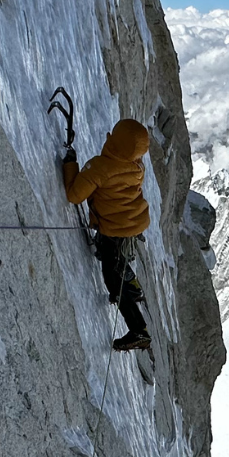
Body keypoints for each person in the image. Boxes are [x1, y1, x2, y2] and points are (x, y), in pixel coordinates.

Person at [64, 118, 153, 351]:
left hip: (114, 228)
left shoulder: (101, 168)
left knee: (113, 279)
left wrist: (71, 165)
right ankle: (132, 286)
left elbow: (75, 195)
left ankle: (138, 330)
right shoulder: (136, 167)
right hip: (131, 223)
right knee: (116, 259)